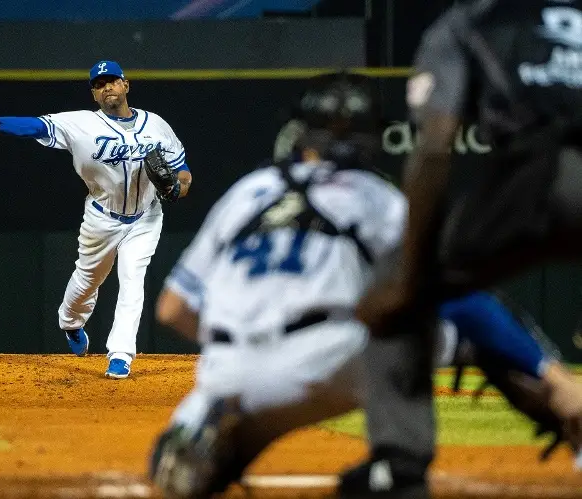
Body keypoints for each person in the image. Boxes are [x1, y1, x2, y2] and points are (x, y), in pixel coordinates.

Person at [147, 72, 581, 499]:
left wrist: (249, 338)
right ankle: (399, 466)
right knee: (444, 313)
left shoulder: (248, 191)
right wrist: (549, 371)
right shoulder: (374, 195)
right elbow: (452, 293)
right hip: (326, 362)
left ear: (299, 131)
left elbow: (172, 309)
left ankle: (207, 437)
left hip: (225, 368)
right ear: (371, 135)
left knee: (191, 456)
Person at [343, 1, 582, 496]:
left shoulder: (470, 22)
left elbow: (434, 147)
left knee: (394, 295)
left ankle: (400, 467)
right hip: (544, 172)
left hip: (541, 178)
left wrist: (413, 270)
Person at [0, 60, 193, 379]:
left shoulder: (156, 125)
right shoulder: (80, 124)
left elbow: (182, 172)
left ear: (126, 85)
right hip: (102, 219)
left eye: (112, 81)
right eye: (99, 84)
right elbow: (32, 126)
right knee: (89, 280)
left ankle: (121, 354)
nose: (107, 87)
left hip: (145, 218)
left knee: (133, 279)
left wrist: (178, 187)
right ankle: (71, 322)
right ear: (94, 95)